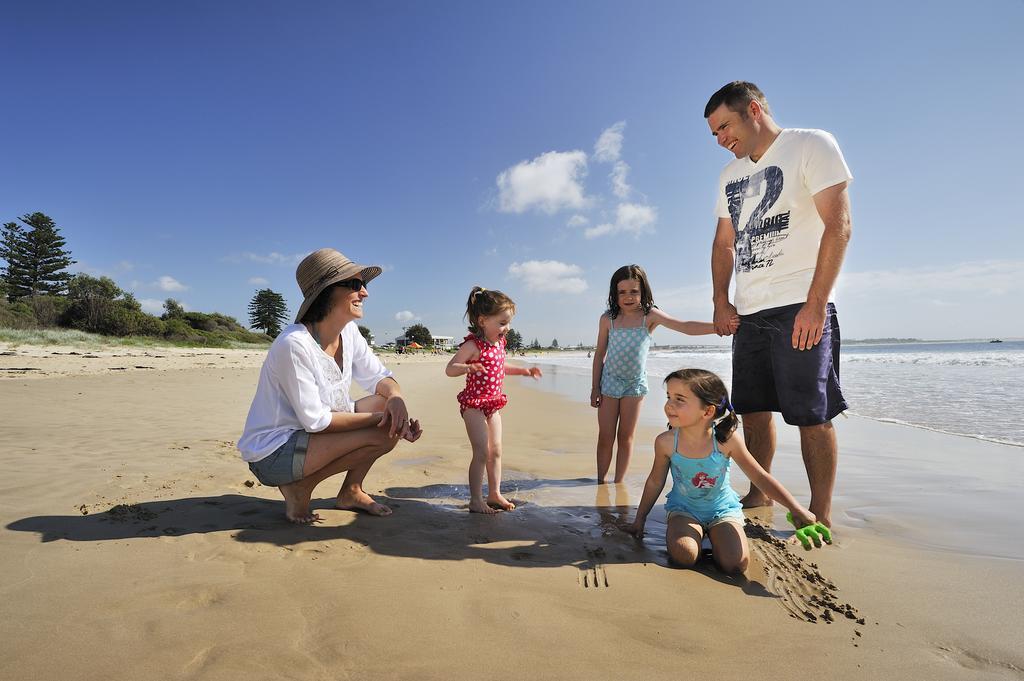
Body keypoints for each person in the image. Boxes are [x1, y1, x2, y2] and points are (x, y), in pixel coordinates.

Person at [705, 81, 853, 527]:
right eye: (713, 134)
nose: (720, 140)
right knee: (752, 409)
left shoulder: (811, 145)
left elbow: (839, 227)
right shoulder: (729, 176)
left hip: (800, 305)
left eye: (724, 126)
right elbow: (723, 243)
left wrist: (815, 304)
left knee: (813, 414)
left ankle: (820, 512)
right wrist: (720, 300)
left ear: (753, 110)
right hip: (750, 312)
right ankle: (759, 492)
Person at [238, 248, 422, 524]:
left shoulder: (348, 332)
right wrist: (385, 420)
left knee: (387, 406)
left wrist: (395, 399)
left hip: (312, 438)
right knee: (385, 430)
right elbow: (316, 421)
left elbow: (379, 377)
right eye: (356, 284)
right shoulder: (294, 345)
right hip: (275, 452)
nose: (365, 293)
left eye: (365, 285)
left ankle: (351, 491)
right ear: (327, 292)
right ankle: (300, 487)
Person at [624, 369, 819, 573]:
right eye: (669, 397)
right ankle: (701, 539)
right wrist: (640, 520)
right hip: (684, 510)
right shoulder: (666, 442)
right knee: (684, 556)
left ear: (708, 411)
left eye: (679, 399)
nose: (669, 405)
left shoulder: (725, 441)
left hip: (723, 510)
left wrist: (796, 509)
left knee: (735, 565)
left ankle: (717, 539)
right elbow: (655, 481)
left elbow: (760, 477)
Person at [590, 264, 731, 484]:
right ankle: (600, 481)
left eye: (634, 291)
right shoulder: (608, 319)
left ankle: (617, 482)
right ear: (614, 294)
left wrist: (717, 326)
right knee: (605, 436)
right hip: (608, 383)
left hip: (634, 386)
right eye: (622, 292)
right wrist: (595, 388)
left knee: (626, 437)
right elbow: (600, 354)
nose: (628, 297)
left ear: (643, 291)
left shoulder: (650, 316)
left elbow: (684, 326)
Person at [445, 287, 542, 514]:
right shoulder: (472, 346)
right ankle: (476, 500)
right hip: (474, 405)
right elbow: (450, 369)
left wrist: (525, 372)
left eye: (508, 323)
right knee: (481, 451)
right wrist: (468, 367)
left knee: (496, 450)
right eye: (501, 323)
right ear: (482, 321)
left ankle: (494, 493)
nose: (506, 328)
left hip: (493, 405)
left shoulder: (499, 344)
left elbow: (501, 367)